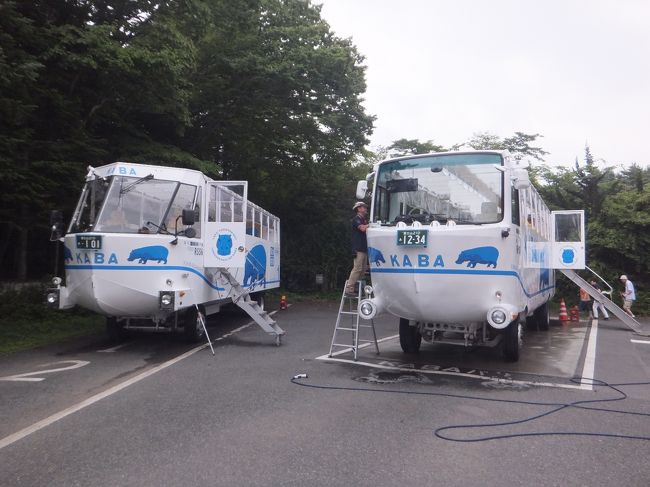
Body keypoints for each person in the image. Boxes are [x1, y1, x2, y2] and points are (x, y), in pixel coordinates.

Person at [345, 202, 369, 296]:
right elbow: (362, 229)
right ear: (358, 209)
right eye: (364, 207)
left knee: (363, 269)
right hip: (358, 248)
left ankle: (357, 287)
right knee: (357, 268)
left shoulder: (364, 220)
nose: (365, 209)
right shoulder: (356, 219)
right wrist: (370, 225)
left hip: (363, 248)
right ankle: (349, 287)